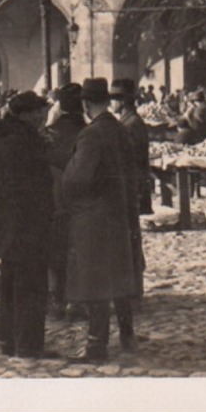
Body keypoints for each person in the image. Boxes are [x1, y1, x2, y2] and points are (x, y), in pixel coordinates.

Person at [60, 79, 142, 362]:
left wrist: (65, 189)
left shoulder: (91, 135)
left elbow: (77, 178)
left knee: (95, 283)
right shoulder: (120, 129)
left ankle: (96, 346)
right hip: (119, 214)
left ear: (85, 104)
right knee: (119, 278)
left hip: (94, 218)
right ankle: (127, 335)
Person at [0, 90, 57, 360]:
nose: (42, 116)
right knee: (30, 286)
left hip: (8, 226)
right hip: (27, 225)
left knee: (10, 285)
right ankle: (28, 345)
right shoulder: (25, 142)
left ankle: (8, 339)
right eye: (38, 111)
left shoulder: (5, 137)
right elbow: (32, 187)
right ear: (25, 114)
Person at [44, 82, 85, 319]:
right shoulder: (88, 131)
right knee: (80, 249)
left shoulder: (51, 133)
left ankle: (58, 299)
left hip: (57, 200)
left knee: (57, 251)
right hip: (83, 202)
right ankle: (79, 300)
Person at [111, 79, 152, 216]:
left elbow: (130, 159)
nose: (111, 104)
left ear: (122, 101)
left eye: (113, 99)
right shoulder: (130, 120)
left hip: (132, 186)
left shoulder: (129, 125)